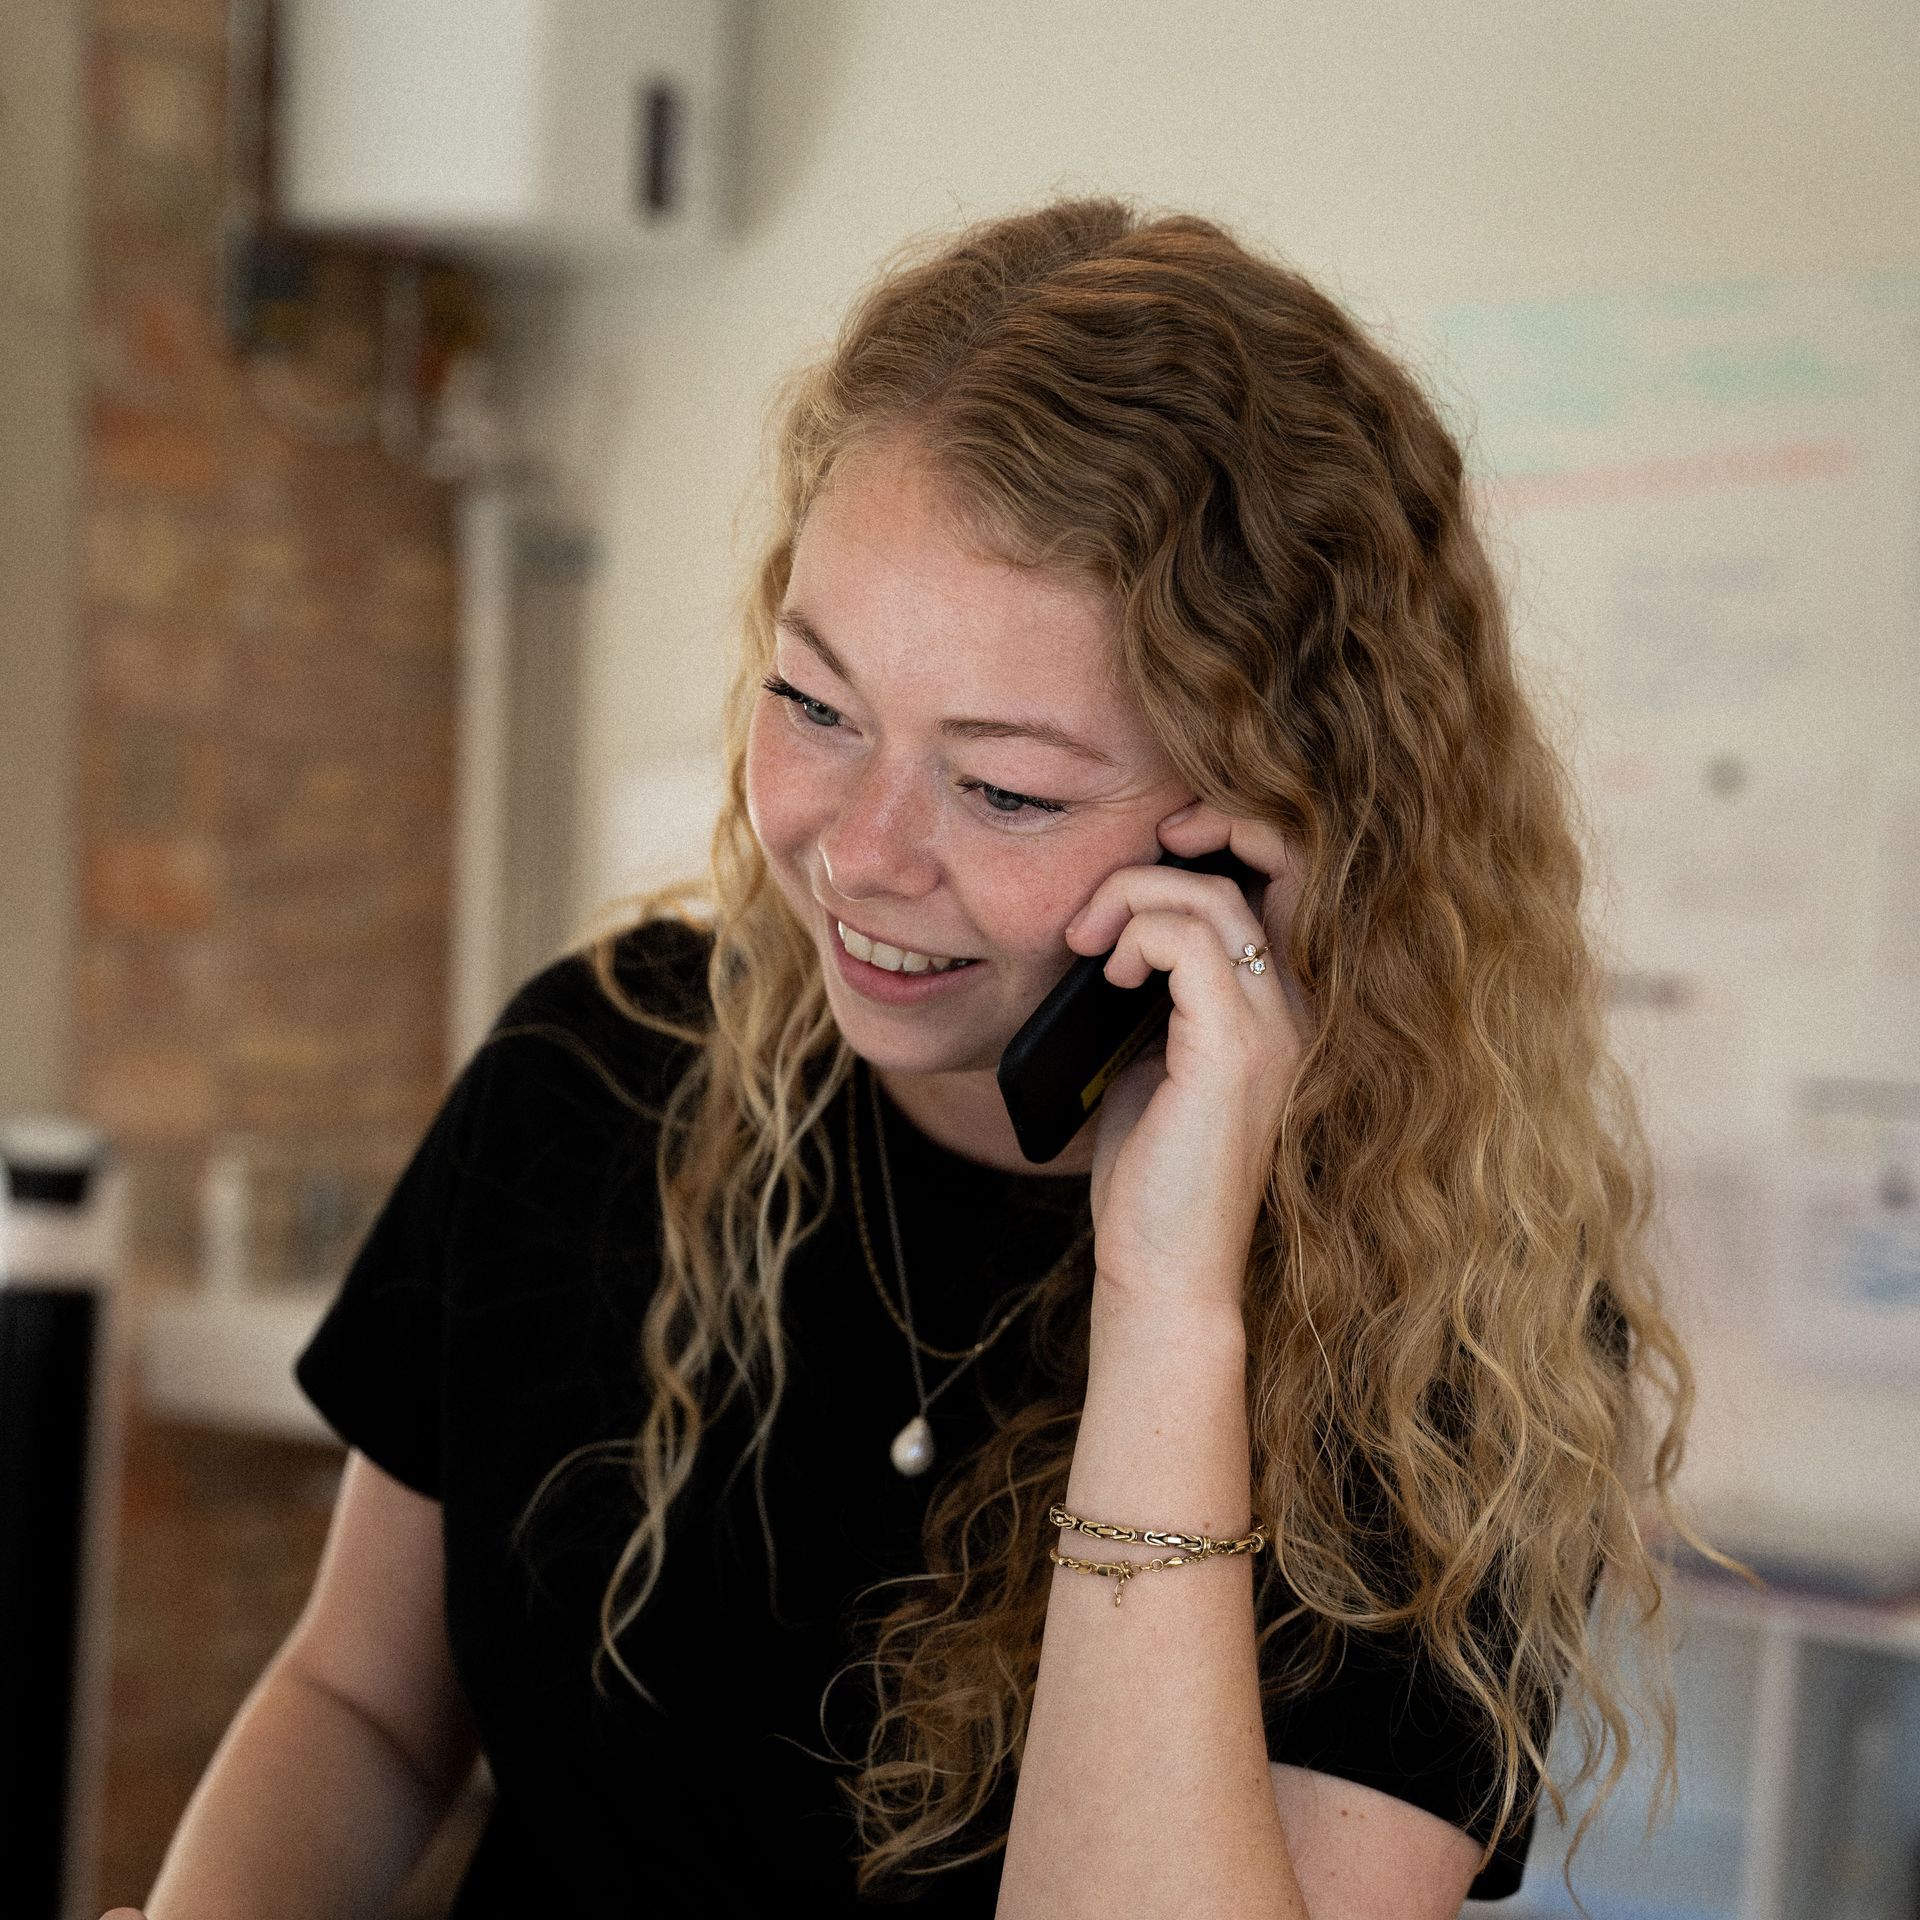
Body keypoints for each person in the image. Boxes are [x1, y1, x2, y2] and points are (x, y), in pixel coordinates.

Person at [114, 196, 1703, 1920]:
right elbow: (359, 1702)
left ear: (1273, 832)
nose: (859, 853)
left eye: (1004, 787)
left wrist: (1172, 1306)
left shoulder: (1441, 1342)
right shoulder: (595, 1069)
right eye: (814, 705)